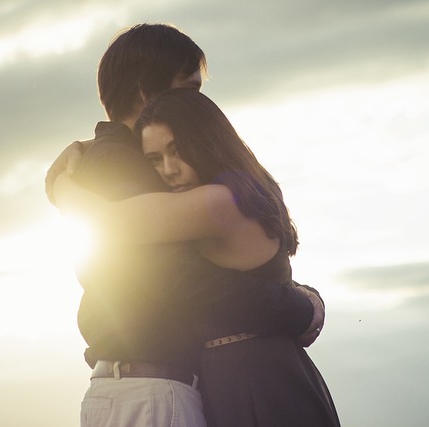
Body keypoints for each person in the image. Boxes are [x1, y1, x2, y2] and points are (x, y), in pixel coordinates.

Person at [45, 24, 327, 426]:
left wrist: (59, 184)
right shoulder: (126, 165)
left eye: (173, 153)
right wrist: (300, 307)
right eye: (189, 90)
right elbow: (178, 279)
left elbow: (128, 241)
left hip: (229, 377)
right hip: (163, 387)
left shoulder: (217, 192)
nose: (168, 169)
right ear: (146, 93)